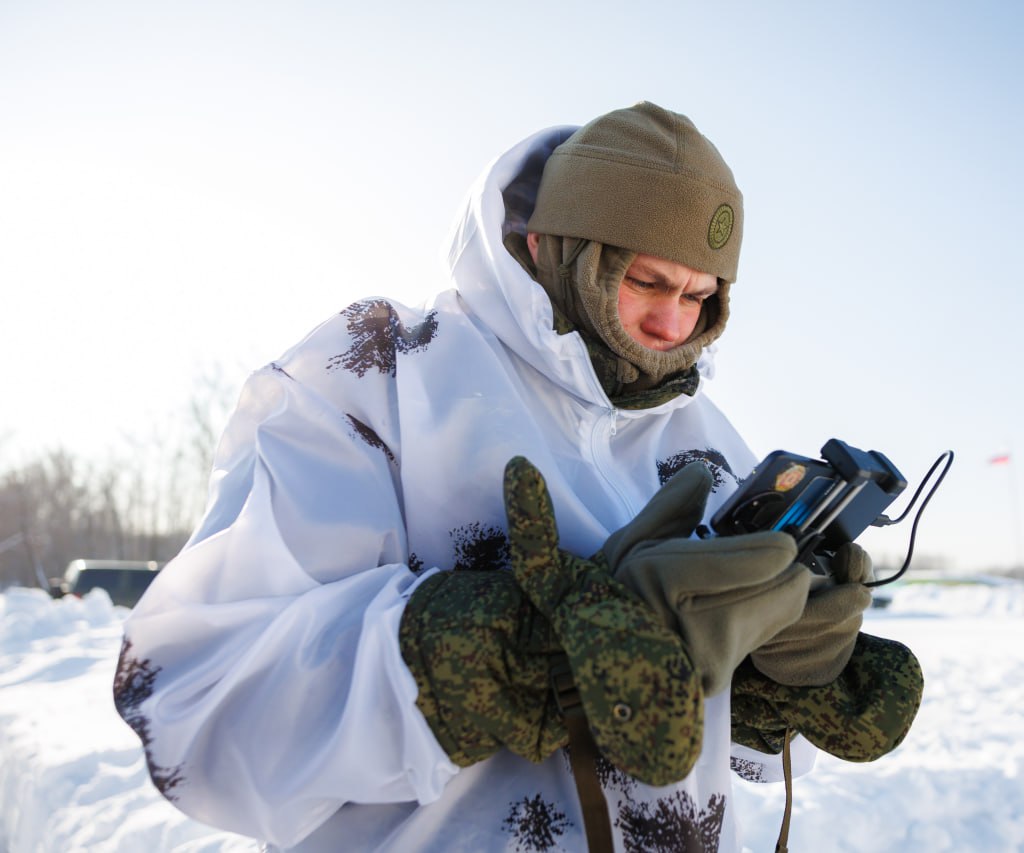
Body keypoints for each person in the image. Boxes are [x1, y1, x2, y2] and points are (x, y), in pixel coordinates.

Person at [113, 102, 923, 852]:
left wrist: (773, 686)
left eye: (700, 297)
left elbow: (709, 749)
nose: (673, 326)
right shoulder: (380, 372)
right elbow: (194, 700)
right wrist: (506, 656)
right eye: (645, 280)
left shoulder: (704, 439)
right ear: (551, 243)